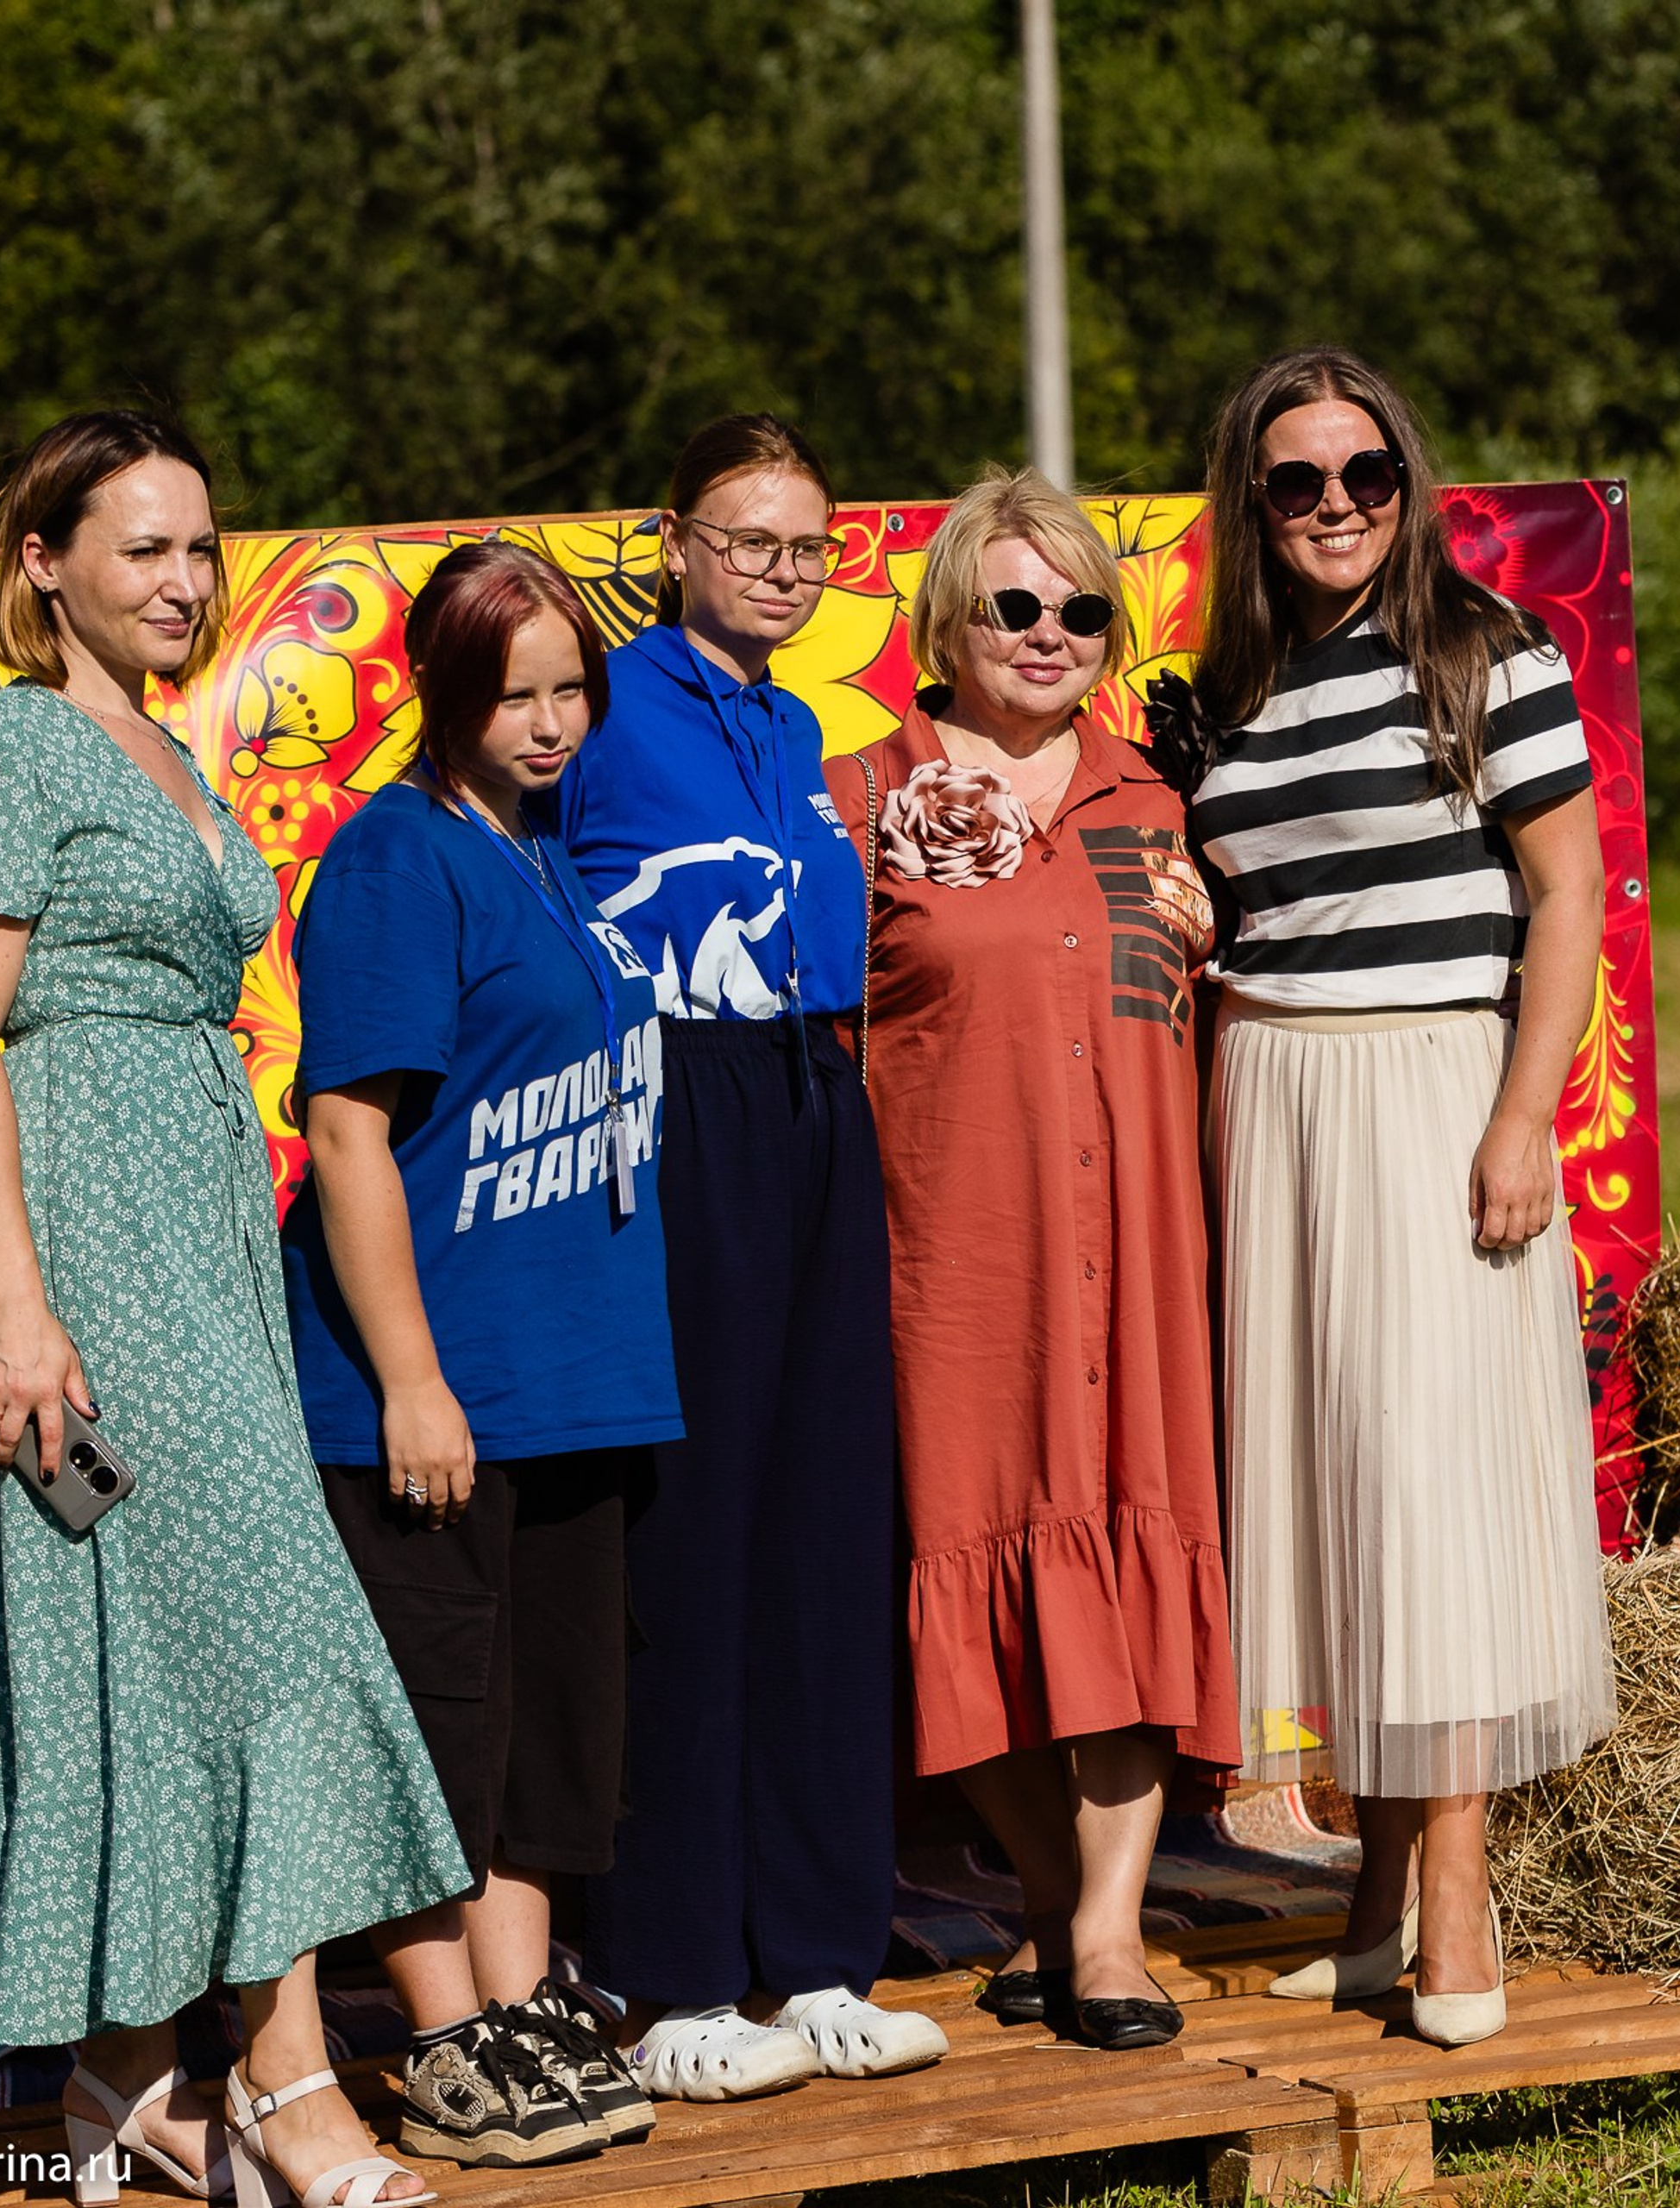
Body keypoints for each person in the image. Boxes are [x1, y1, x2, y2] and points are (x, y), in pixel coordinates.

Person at [0, 410, 467, 2207]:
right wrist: (16, 1306)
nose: (182, 579)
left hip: (205, 1229)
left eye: (199, 545)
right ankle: (288, 2083)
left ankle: (131, 2079)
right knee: (275, 1640)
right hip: (89, 1235)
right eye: (141, 545)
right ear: (44, 563)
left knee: (169, 1661)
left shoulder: (163, 747)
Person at [1160, 347, 1616, 2047]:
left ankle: (1454, 1896)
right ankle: (1369, 1897)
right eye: (1296, 480)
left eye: (1365, 473)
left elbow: (1564, 893)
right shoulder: (1225, 689)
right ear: (1253, 502)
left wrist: (1522, 1116)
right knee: (1338, 1488)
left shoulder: (1487, 654)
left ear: (1406, 485)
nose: (1335, 504)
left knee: (1434, 1493)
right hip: (1269, 1099)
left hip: (1431, 1087)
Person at [552, 414, 946, 2098]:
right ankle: (672, 1972)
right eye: (748, 541)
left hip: (812, 1100)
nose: (782, 571)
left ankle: (816, 1955)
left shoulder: (800, 726)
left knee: (821, 1528)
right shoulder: (598, 702)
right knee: (691, 1535)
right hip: (674, 1111)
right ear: (675, 542)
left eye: (806, 547)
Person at [824, 467, 1241, 2053]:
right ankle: (1062, 1897)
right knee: (966, 1559)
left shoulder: (1155, 801)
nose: (1049, 632)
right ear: (948, 623)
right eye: (1014, 604)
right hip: (958, 1254)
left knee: (1135, 1555)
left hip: (1136, 1252)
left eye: (1082, 609)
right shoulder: (862, 801)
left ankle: (1112, 1932)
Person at [279, 541, 681, 2163]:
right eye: (513, 696)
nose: (550, 723)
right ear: (443, 692)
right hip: (443, 1387)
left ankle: (519, 2009)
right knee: (435, 1725)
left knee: (549, 1728)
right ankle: (444, 2039)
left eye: (570, 690)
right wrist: (411, 1378)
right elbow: (349, 1133)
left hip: (574, 1379)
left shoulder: (548, 848)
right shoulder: (397, 856)